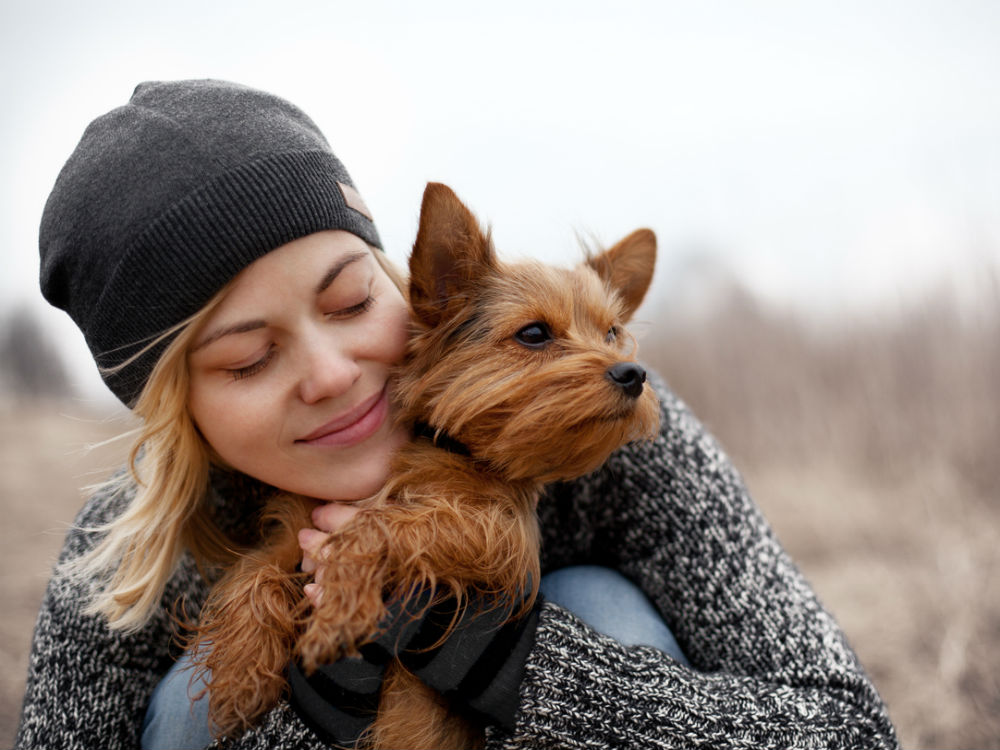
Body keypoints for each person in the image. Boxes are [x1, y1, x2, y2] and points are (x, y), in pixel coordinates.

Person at [16, 79, 898, 750]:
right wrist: (314, 716)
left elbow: (851, 730)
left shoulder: (619, 442)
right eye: (249, 358)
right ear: (178, 412)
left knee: (597, 605)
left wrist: (528, 670)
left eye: (354, 302)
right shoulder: (127, 560)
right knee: (191, 699)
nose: (332, 375)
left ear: (410, 285)